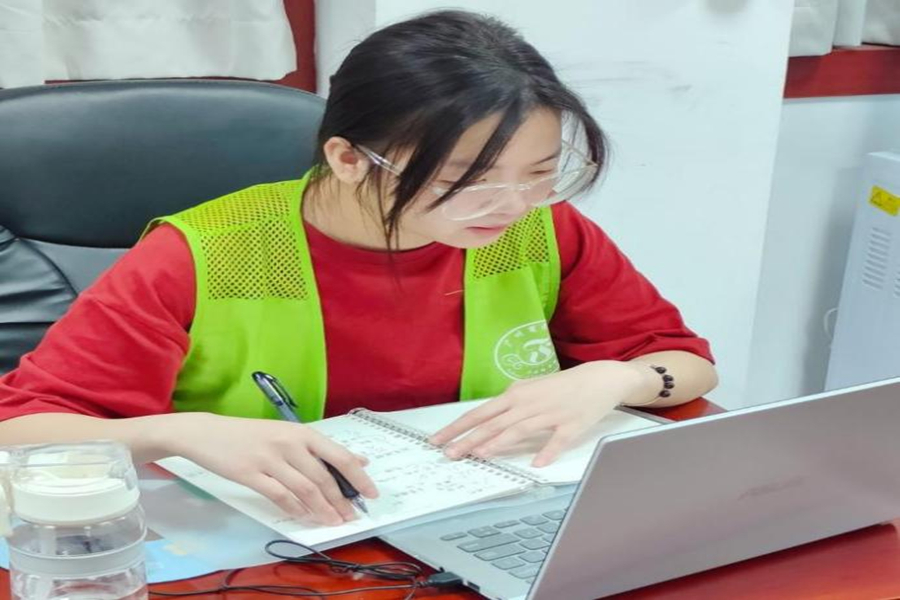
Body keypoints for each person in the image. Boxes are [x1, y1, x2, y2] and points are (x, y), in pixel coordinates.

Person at [0, 10, 717, 528]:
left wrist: (615, 378)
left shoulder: (535, 228)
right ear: (347, 159)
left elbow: (685, 363)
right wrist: (181, 432)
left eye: (539, 173)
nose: (512, 204)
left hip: (471, 522)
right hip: (270, 543)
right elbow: (19, 429)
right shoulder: (204, 255)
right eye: (466, 180)